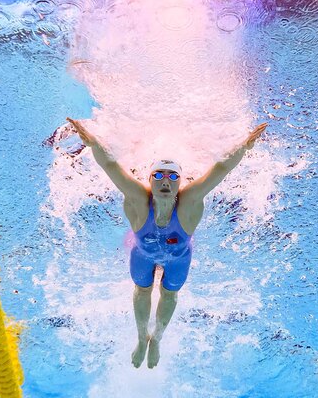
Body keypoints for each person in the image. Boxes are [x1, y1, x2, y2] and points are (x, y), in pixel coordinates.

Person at [66, 117, 267, 369]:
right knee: (142, 290)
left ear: (180, 182)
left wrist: (244, 146)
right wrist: (92, 142)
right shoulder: (139, 200)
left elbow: (222, 168)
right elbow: (109, 165)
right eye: (158, 175)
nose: (165, 180)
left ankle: (157, 340)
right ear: (149, 179)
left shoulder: (190, 201)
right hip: (143, 253)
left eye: (172, 176)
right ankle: (141, 338)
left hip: (178, 258)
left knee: (169, 294)